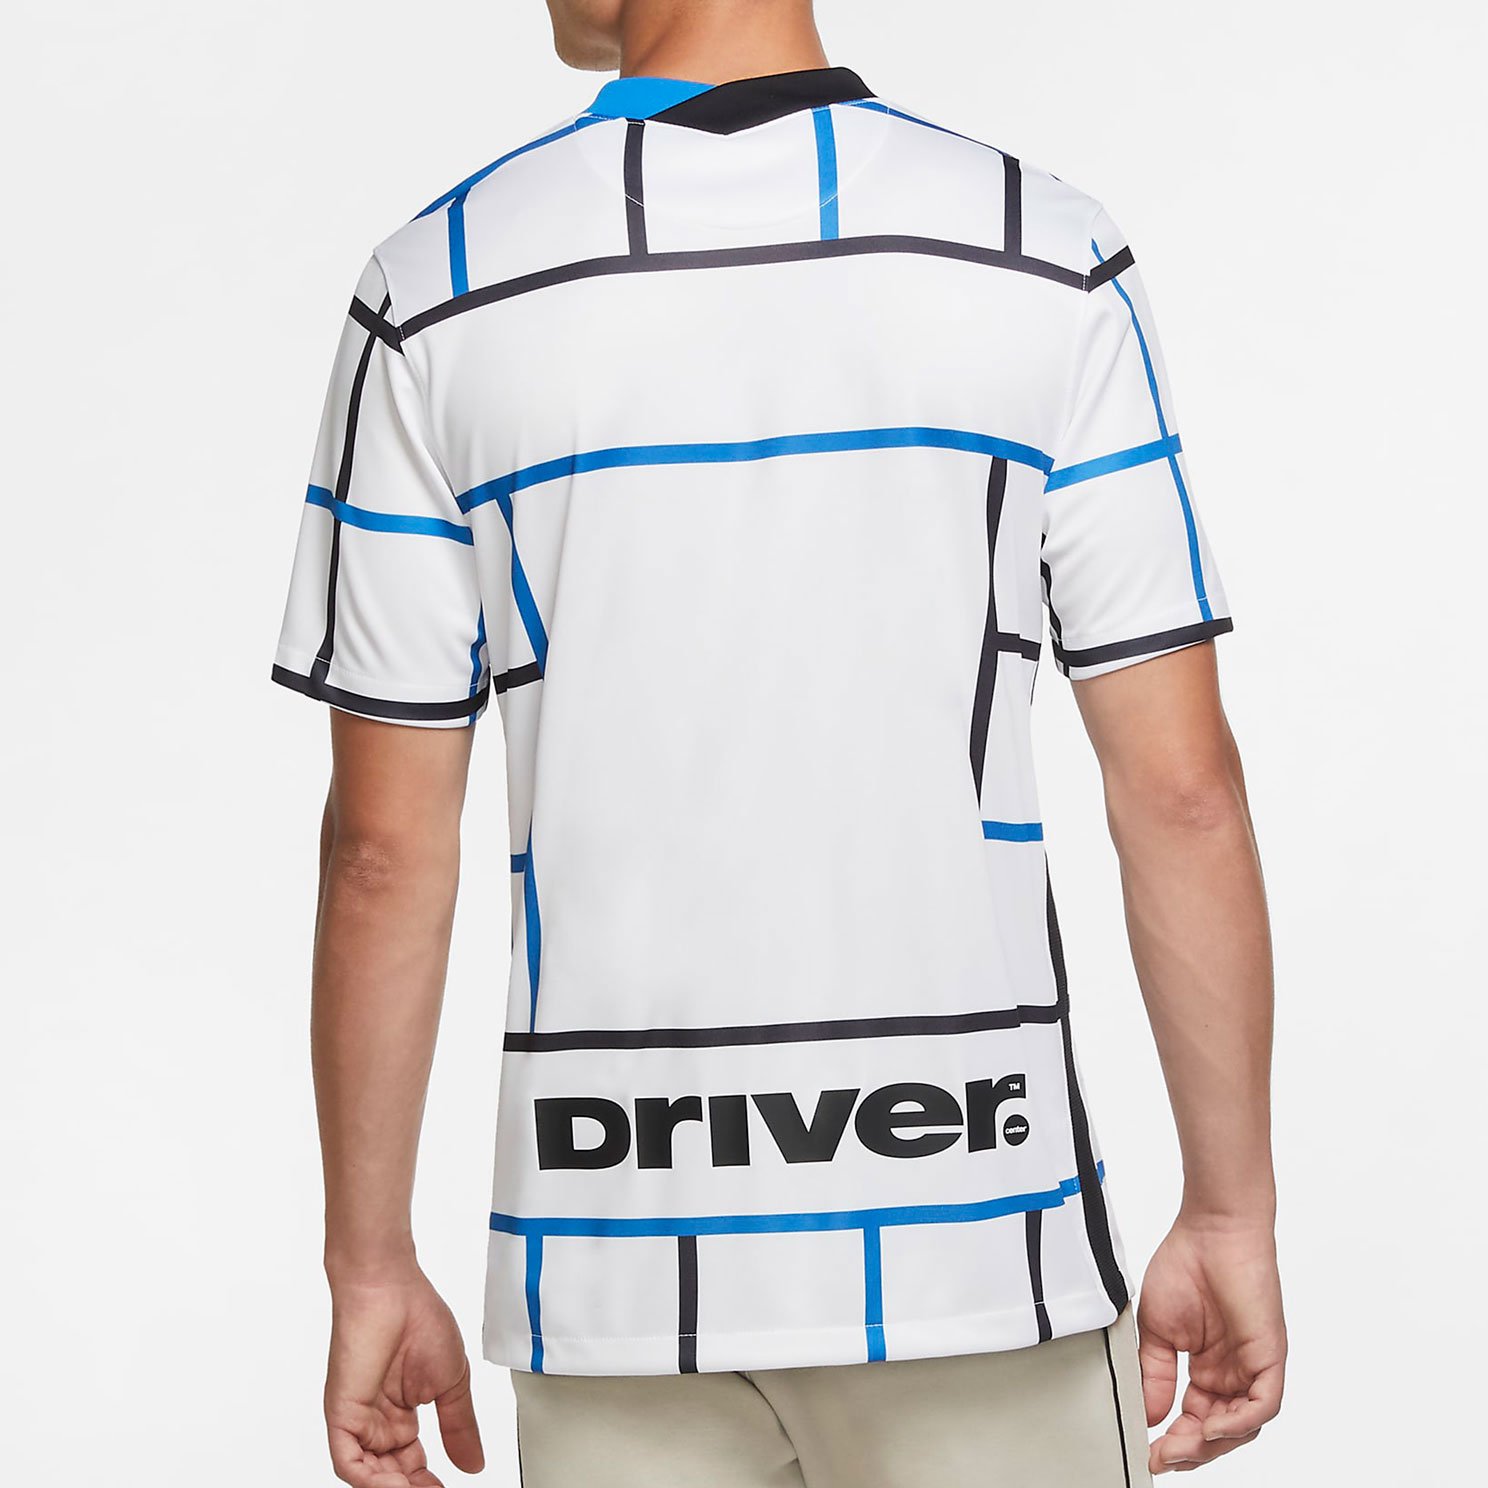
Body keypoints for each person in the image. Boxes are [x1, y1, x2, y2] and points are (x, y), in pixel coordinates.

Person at [273, 1, 1286, 1483]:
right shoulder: (1038, 250)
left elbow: (382, 849)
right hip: (976, 1234)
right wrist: (1233, 1206)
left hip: (612, 1258)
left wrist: (369, 1264)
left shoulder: (435, 289)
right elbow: (1181, 792)